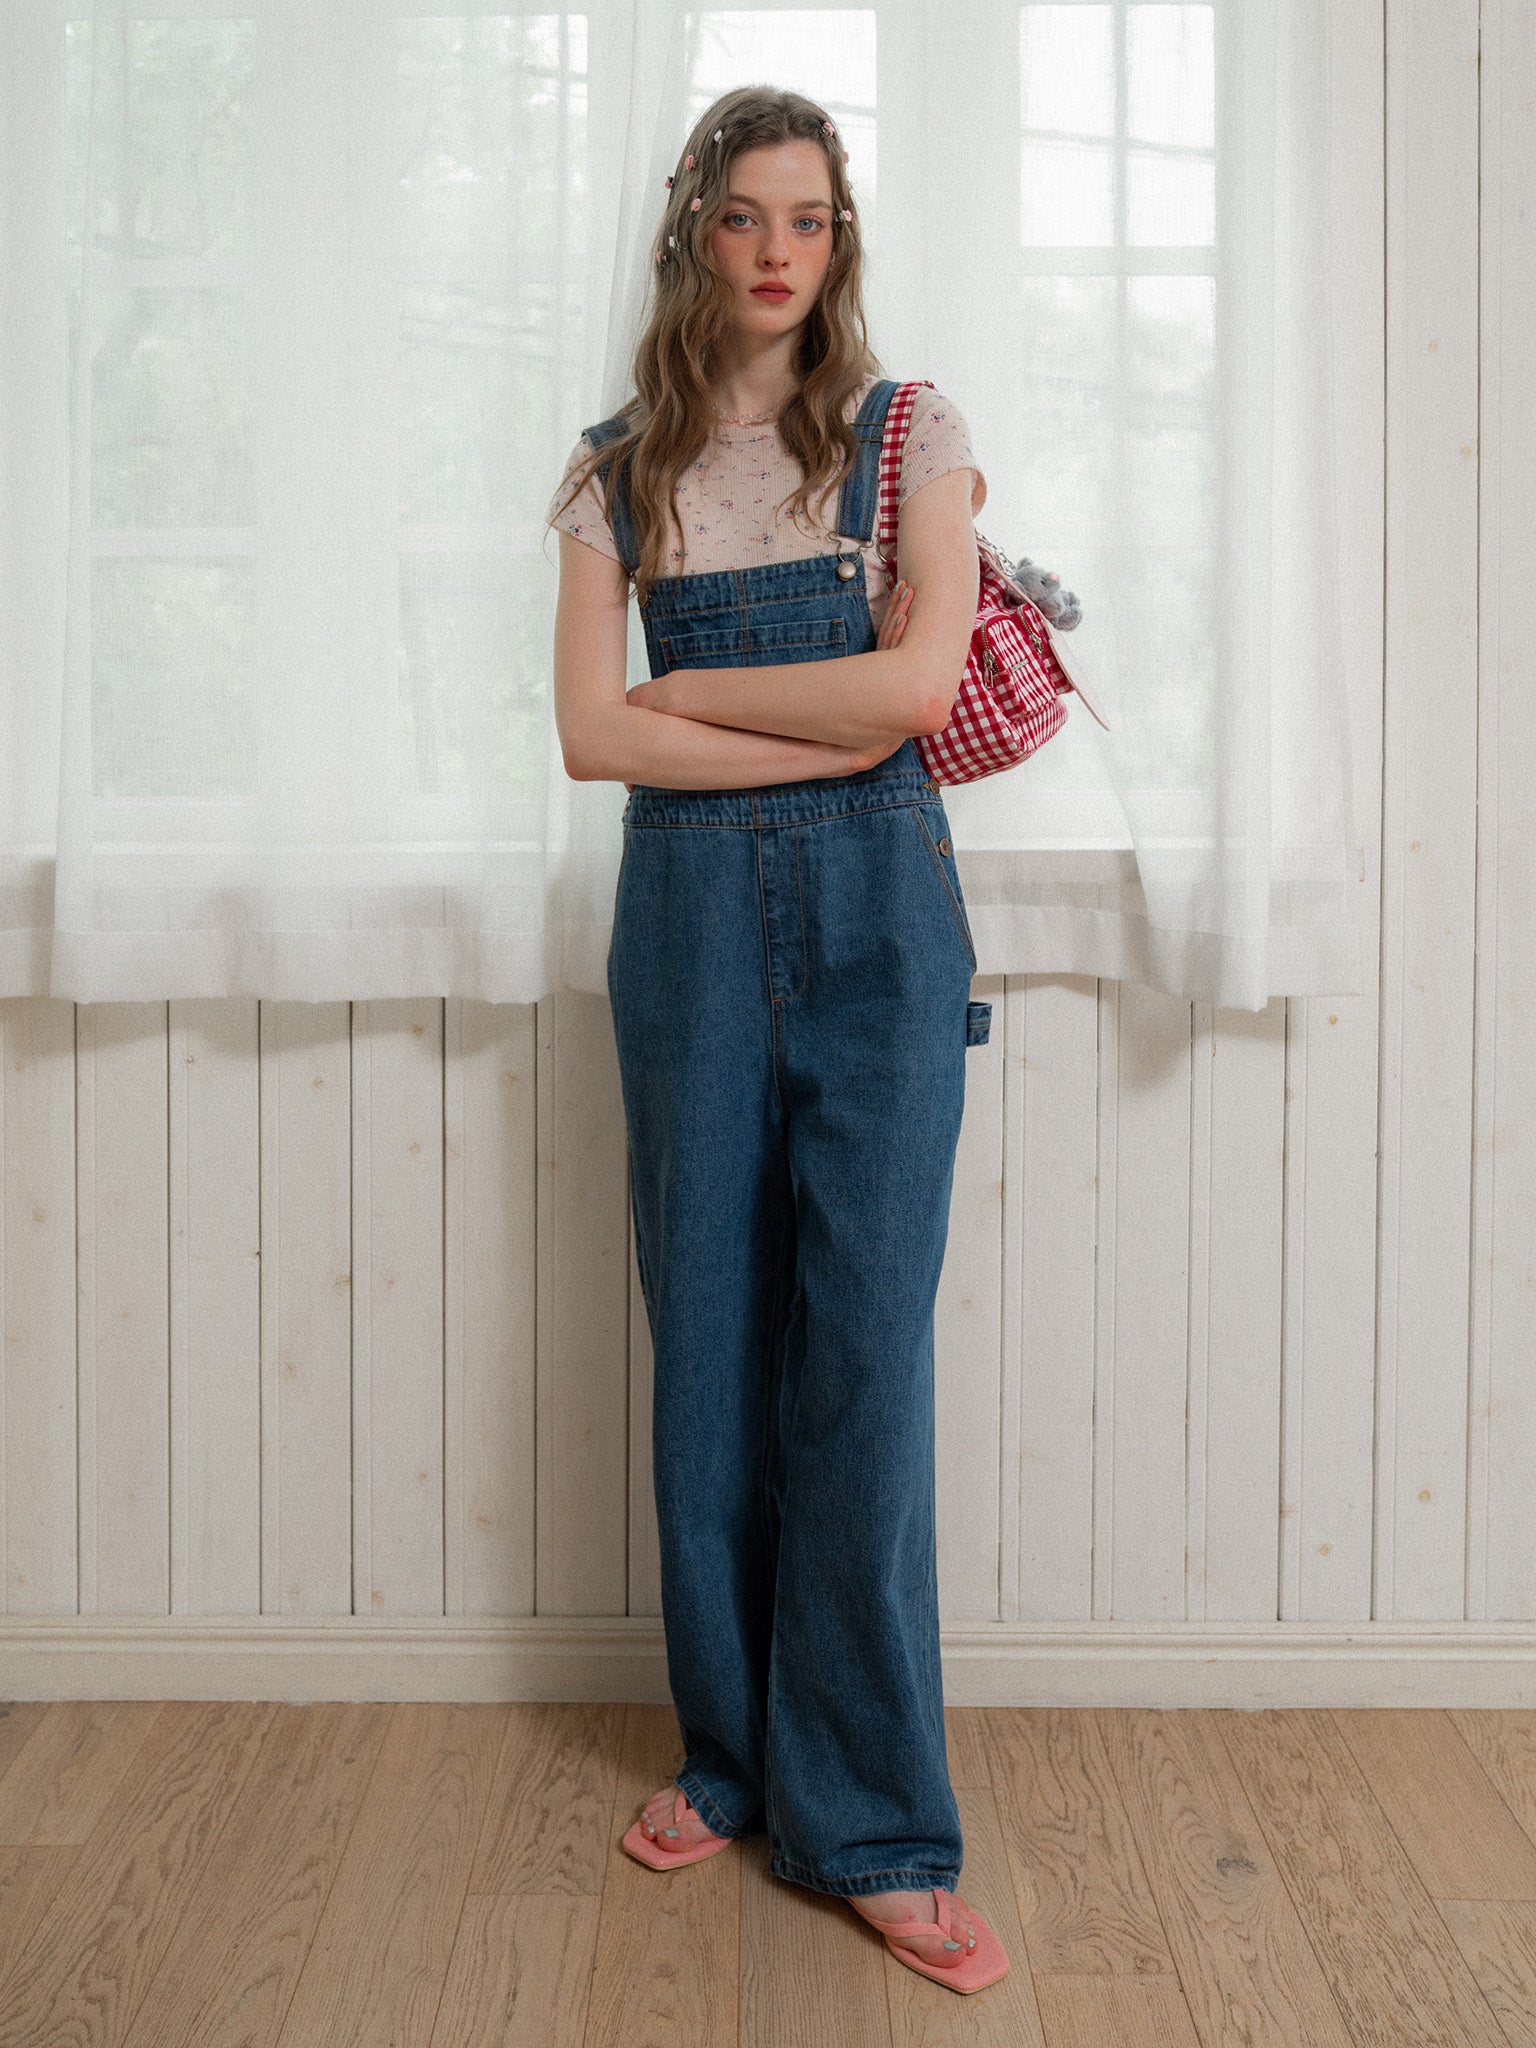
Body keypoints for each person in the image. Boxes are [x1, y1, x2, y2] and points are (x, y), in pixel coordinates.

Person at [544, 83, 1008, 1995]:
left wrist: (696, 703)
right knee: (715, 1348)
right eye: (744, 216)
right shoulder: (614, 469)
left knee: (864, 1361)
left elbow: (916, 693)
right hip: (688, 929)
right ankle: (733, 1761)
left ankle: (875, 1825)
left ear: (840, 241)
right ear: (694, 232)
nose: (775, 253)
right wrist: (758, 722)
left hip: (882, 922)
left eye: (808, 220)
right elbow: (593, 737)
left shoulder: (911, 435)